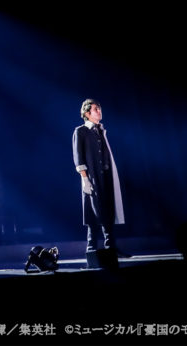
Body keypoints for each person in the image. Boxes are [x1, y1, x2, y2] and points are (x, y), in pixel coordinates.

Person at [71, 99, 129, 257]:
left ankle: (111, 247)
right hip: (92, 177)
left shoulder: (101, 130)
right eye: (96, 109)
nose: (99, 111)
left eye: (99, 109)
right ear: (87, 113)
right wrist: (85, 179)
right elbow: (79, 158)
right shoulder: (81, 131)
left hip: (106, 176)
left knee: (108, 210)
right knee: (93, 211)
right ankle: (91, 249)